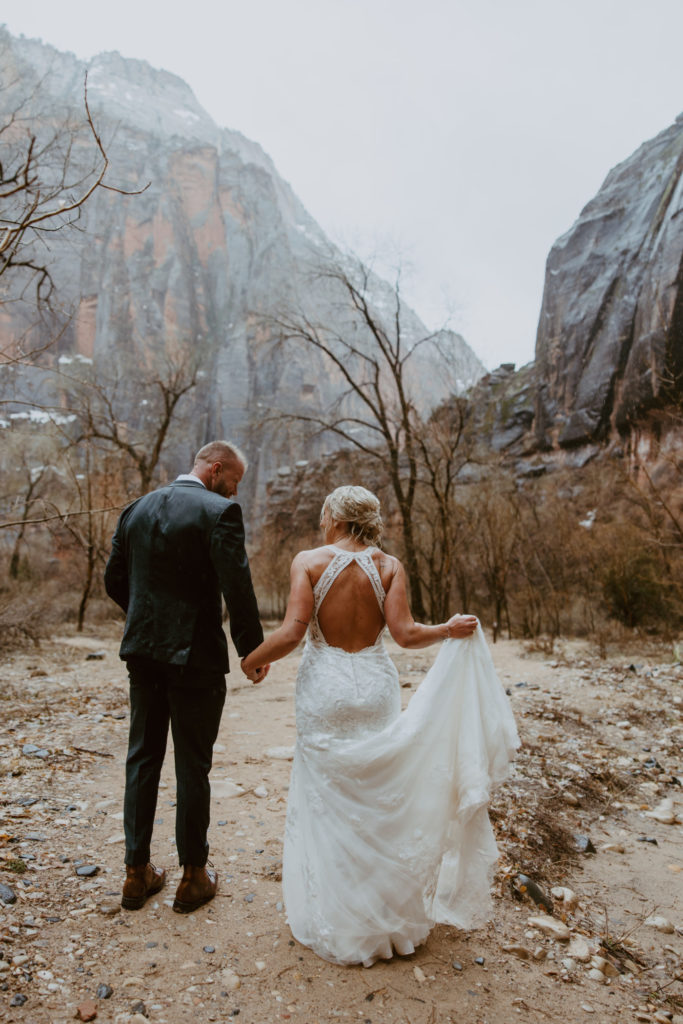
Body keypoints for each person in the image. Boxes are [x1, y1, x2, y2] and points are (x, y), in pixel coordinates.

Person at [241, 484, 519, 966]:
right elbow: (406, 635)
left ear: (334, 517)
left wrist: (252, 660)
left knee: (327, 797)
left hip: (325, 689)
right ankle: (383, 914)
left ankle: (338, 915)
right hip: (373, 687)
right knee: (378, 793)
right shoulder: (389, 566)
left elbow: (292, 631)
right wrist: (448, 630)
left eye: (324, 513)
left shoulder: (308, 561)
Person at [105, 440, 267, 914]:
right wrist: (252, 652)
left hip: (143, 653)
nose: (235, 493)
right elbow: (238, 587)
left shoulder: (136, 509)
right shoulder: (218, 513)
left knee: (142, 759)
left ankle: (136, 875)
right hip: (194, 659)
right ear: (216, 470)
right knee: (192, 765)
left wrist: (146, 620)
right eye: (234, 482)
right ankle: (193, 876)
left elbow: (115, 579)